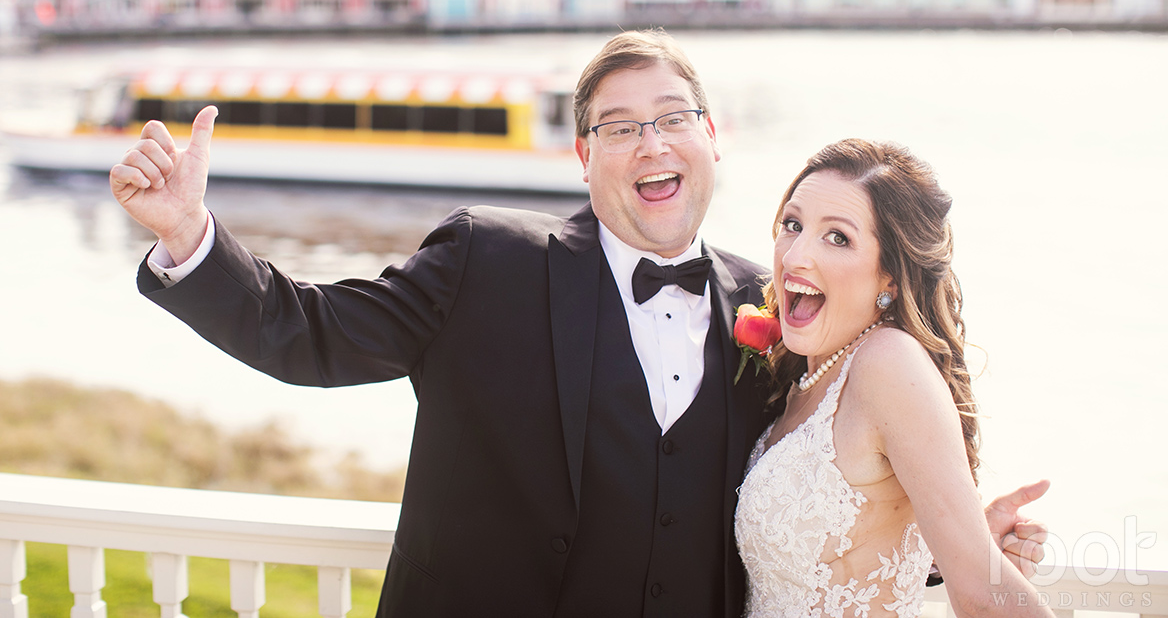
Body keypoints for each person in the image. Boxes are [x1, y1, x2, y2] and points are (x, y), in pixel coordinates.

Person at [111, 30, 1046, 617]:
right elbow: (303, 331)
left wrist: (935, 542)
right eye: (618, 125)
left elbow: (805, 516)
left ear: (711, 139)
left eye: (672, 117)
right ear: (582, 154)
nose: (651, 142)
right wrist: (192, 236)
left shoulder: (776, 310)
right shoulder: (485, 259)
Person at [735, 139, 1052, 618]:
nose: (795, 256)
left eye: (837, 237)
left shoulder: (888, 362)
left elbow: (984, 599)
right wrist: (945, 543)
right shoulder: (808, 376)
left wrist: (976, 561)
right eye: (792, 225)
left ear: (890, 277)